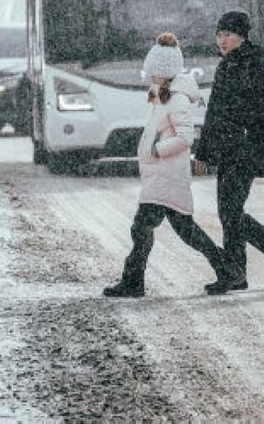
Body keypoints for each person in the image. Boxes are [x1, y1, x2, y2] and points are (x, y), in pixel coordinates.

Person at [103, 33, 243, 297]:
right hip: (161, 177)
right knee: (181, 231)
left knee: (144, 228)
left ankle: (133, 282)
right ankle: (228, 270)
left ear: (161, 71)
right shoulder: (162, 96)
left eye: (151, 71)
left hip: (167, 178)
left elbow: (185, 137)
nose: (148, 75)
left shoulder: (176, 99)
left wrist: (156, 150)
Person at [192, 10, 264, 291]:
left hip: (249, 145)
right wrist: (202, 153)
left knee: (230, 211)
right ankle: (240, 272)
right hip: (228, 147)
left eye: (227, 35)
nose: (221, 41)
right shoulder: (225, 65)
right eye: (219, 35)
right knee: (229, 211)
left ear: (242, 35)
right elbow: (213, 112)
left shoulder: (257, 62)